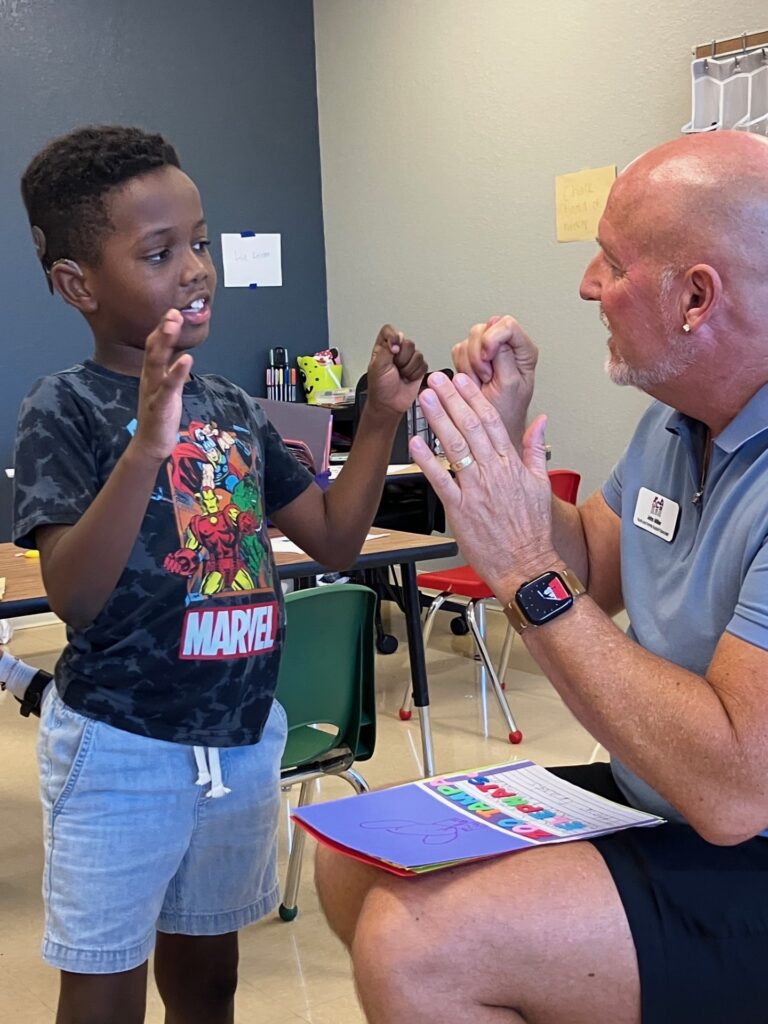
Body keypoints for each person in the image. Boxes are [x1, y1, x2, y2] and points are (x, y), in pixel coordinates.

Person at [315, 129, 768, 1024]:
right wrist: (511, 458)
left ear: (695, 298)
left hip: (739, 831)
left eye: (611, 262)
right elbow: (594, 568)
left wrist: (524, 565)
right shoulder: (679, 427)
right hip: (669, 801)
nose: (587, 286)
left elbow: (731, 789)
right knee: (356, 859)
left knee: (419, 949)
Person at [13, 124, 426, 1024]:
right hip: (121, 746)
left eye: (200, 242)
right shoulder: (64, 407)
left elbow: (332, 541)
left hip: (238, 740)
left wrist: (382, 416)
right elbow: (74, 597)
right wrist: (145, 447)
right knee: (103, 985)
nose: (195, 268)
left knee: (210, 981)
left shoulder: (234, 404)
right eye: (159, 252)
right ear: (78, 284)